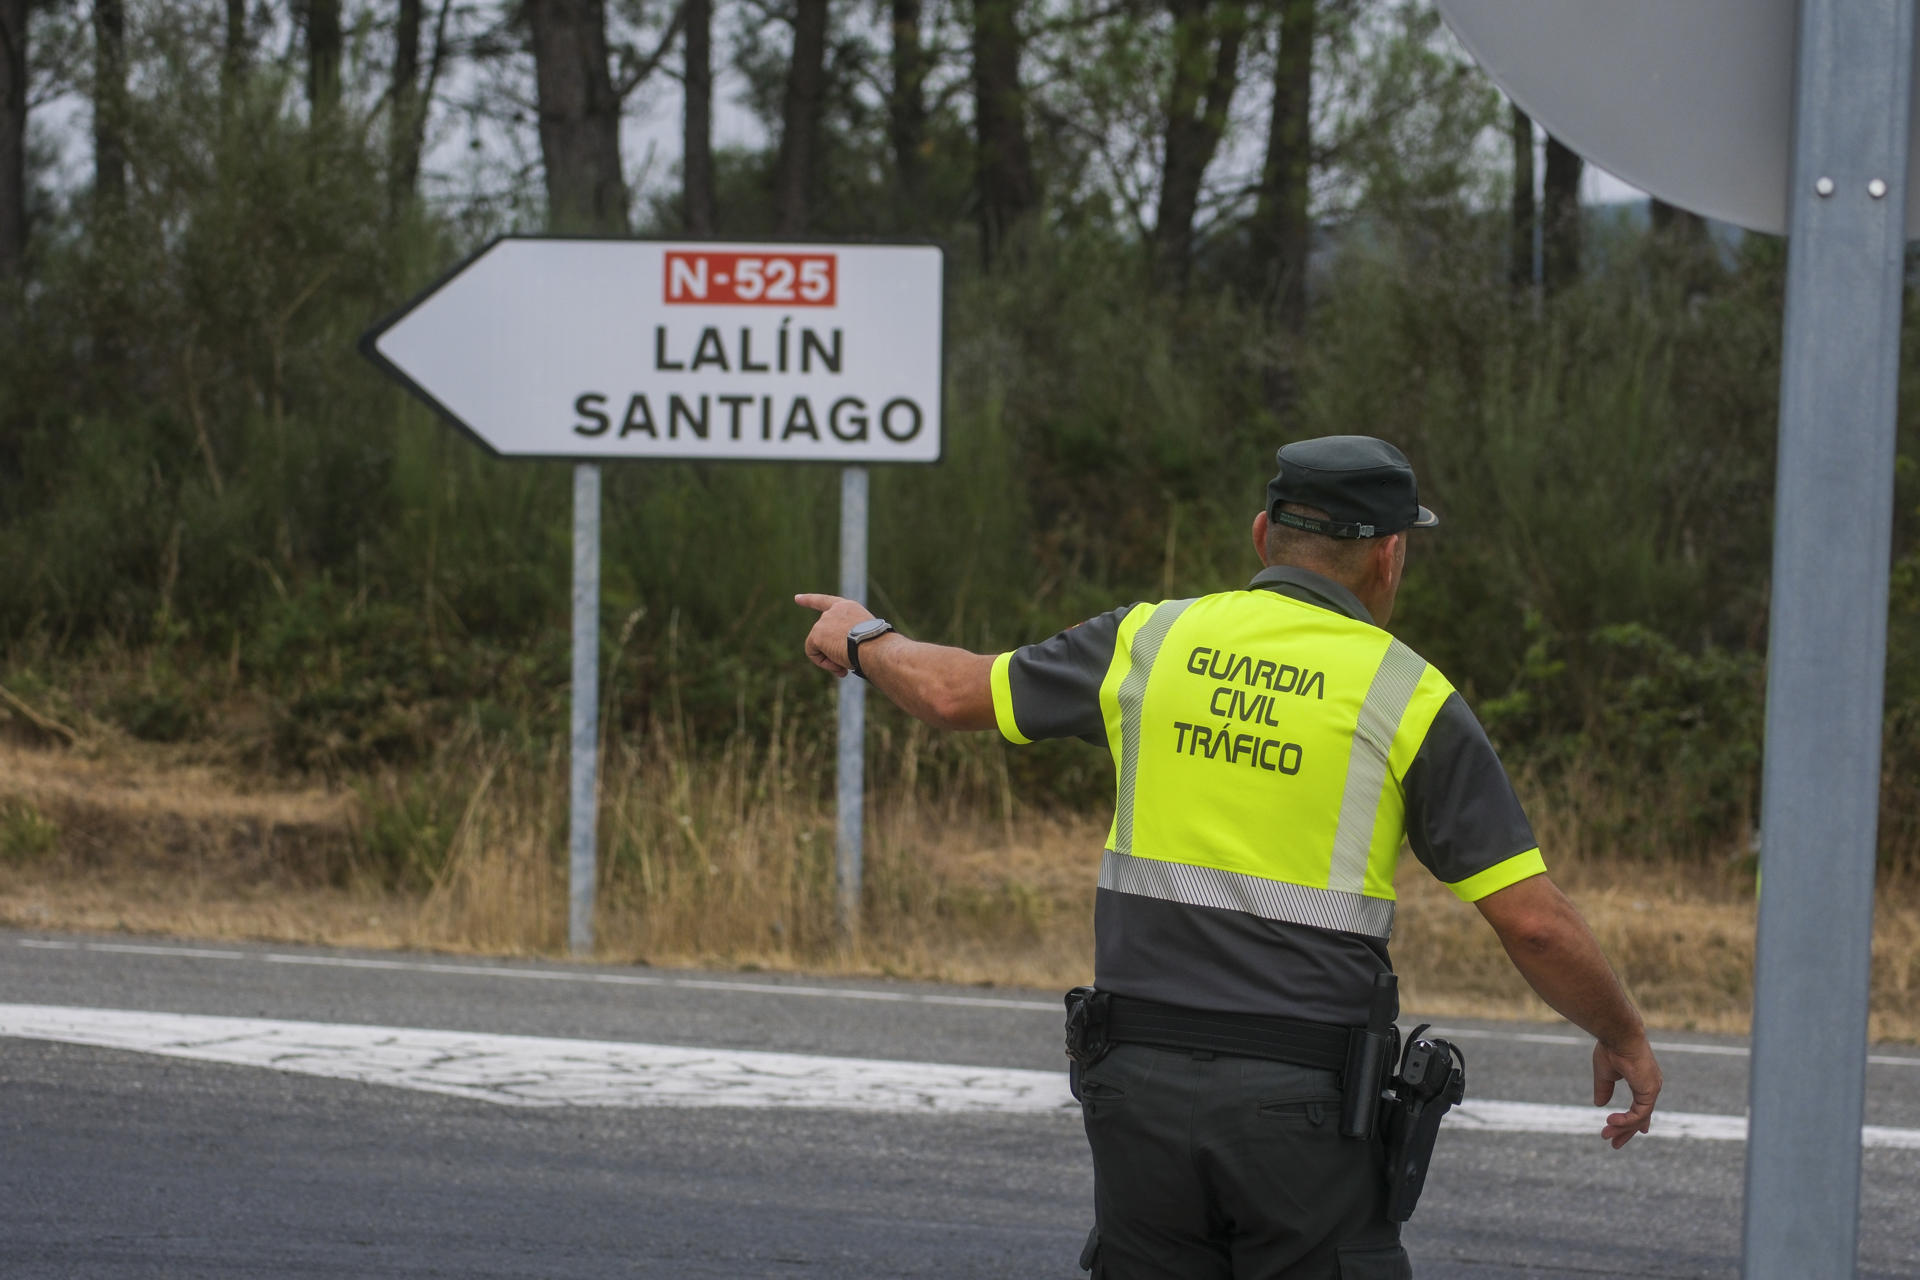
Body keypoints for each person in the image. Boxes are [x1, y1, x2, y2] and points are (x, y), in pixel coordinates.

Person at [795, 434, 1662, 1280]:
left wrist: (864, 637)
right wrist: (1619, 1031)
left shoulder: (1152, 639)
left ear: (1262, 534)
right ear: (1390, 556)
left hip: (1133, 1088)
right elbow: (1535, 925)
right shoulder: (1409, 694)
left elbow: (952, 692)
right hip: (1302, 1109)